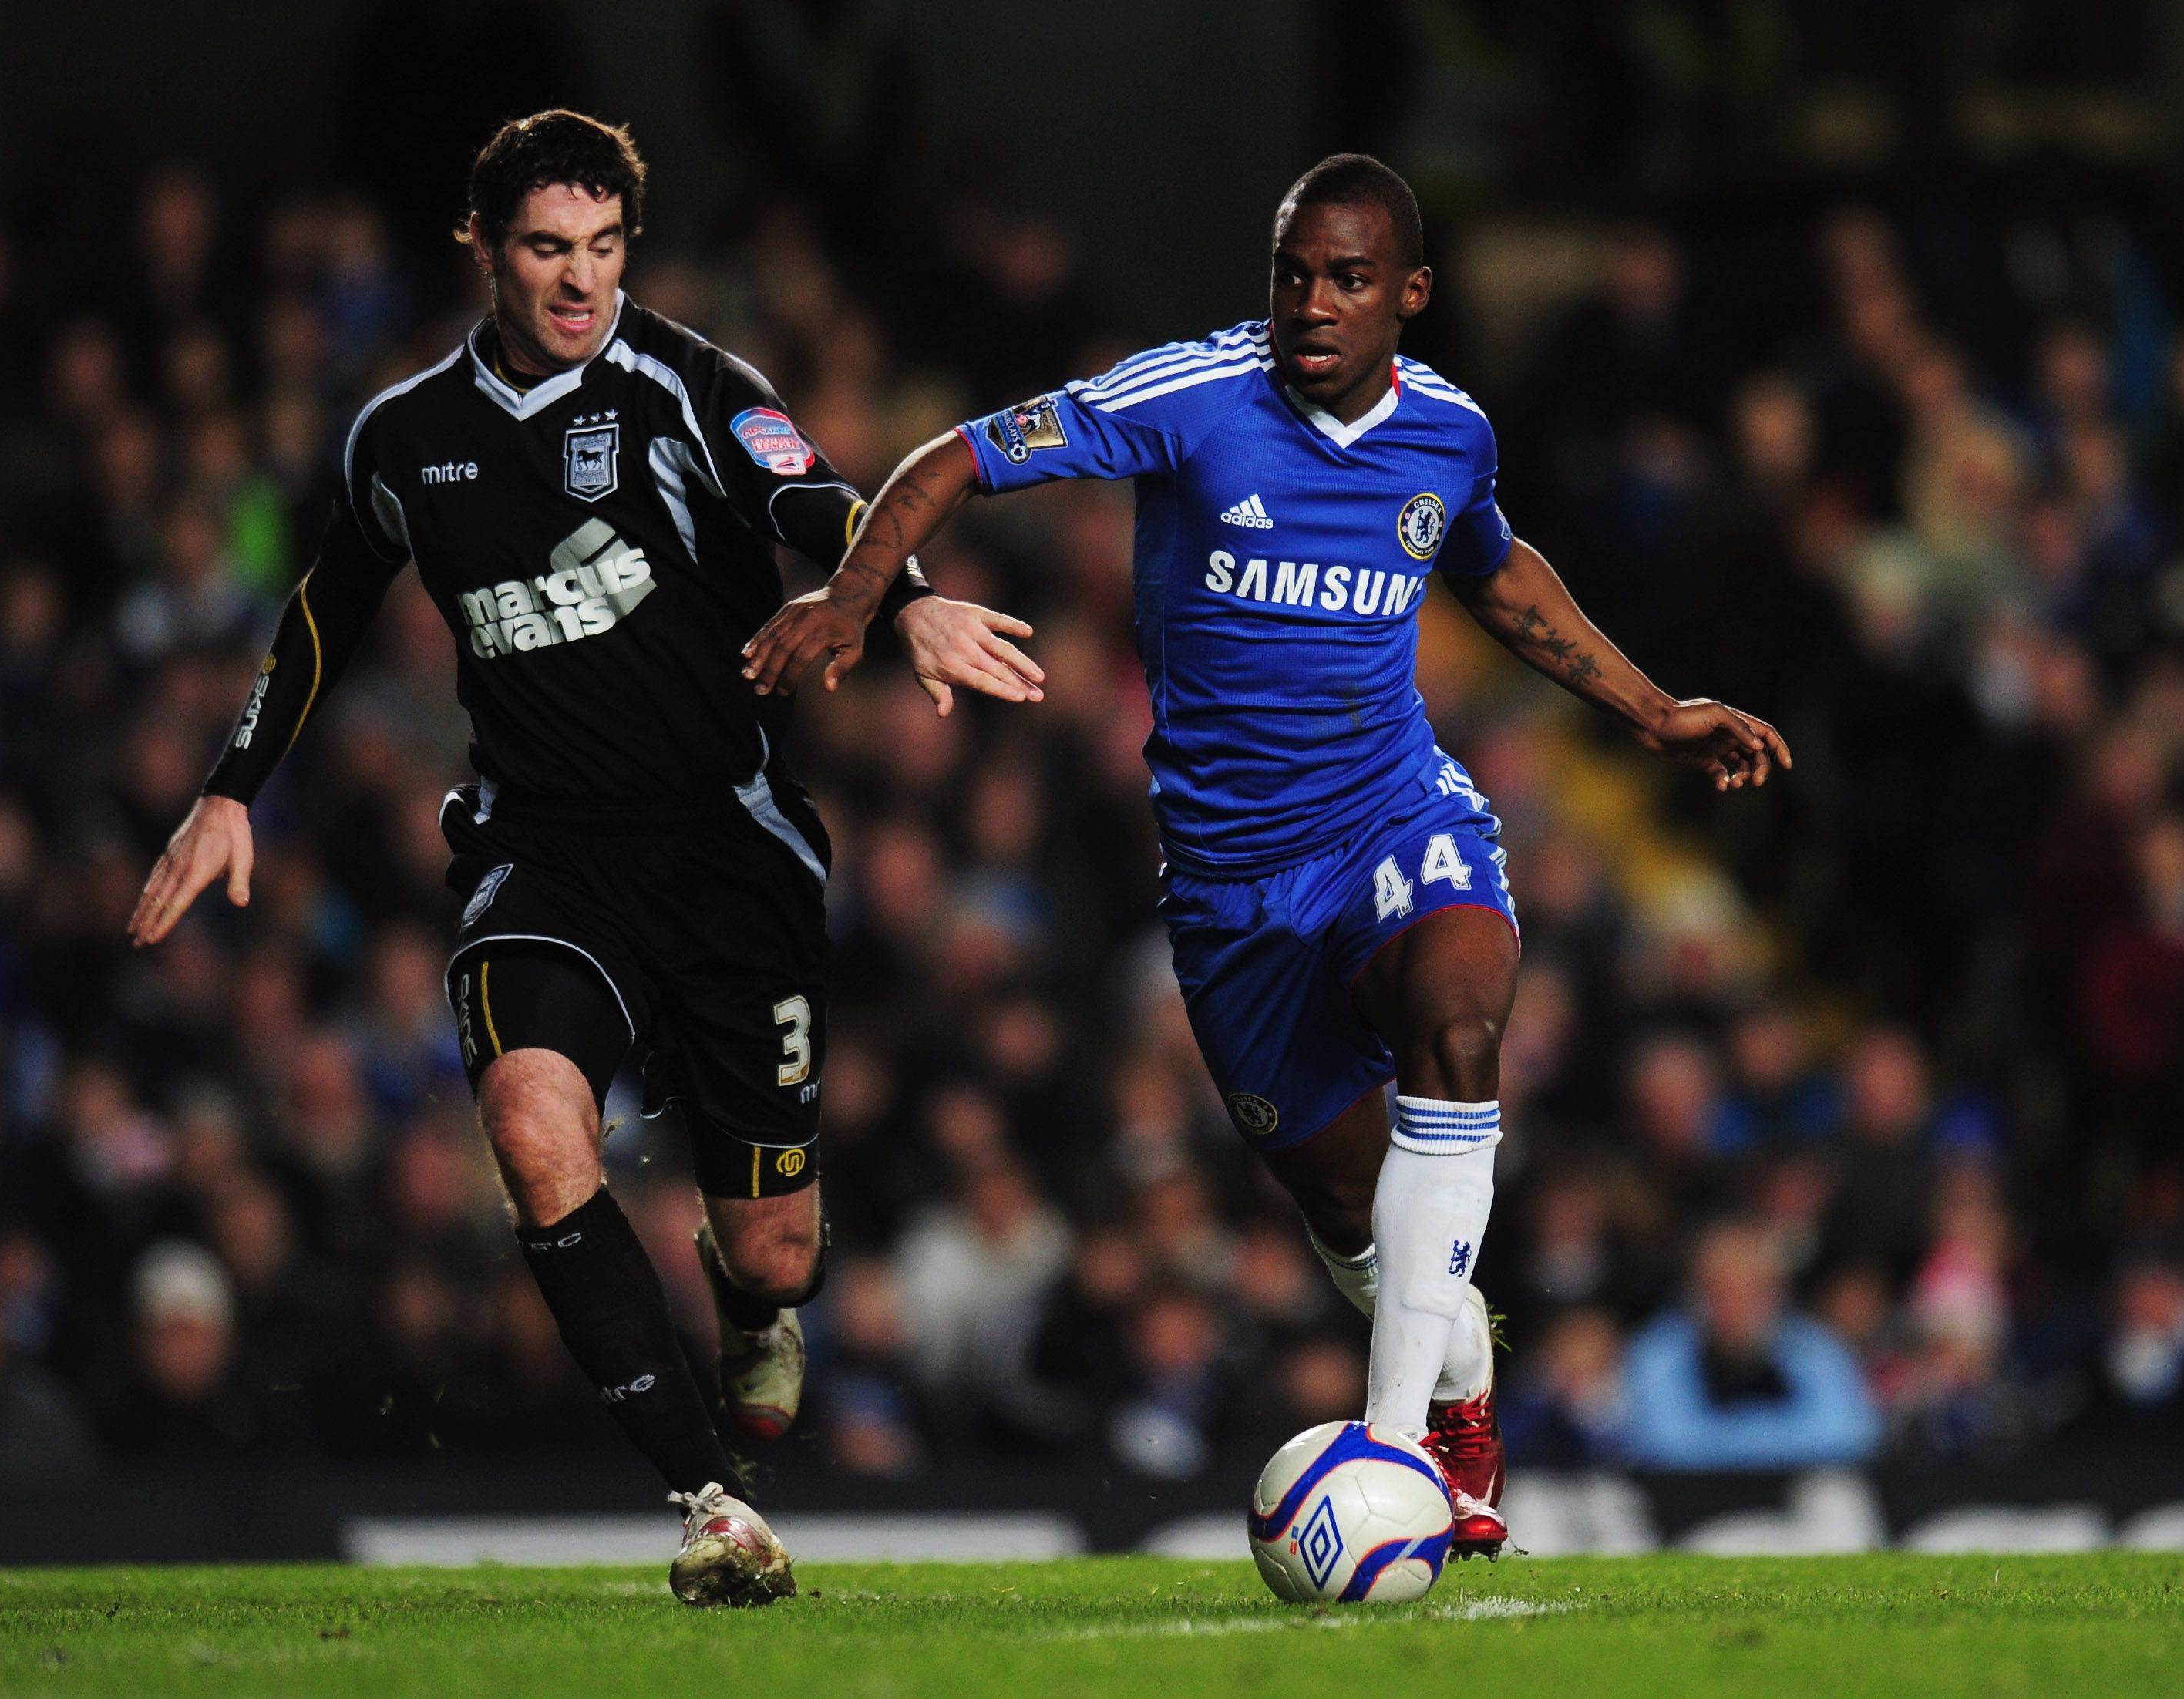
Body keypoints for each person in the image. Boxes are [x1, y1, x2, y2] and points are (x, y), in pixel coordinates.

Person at [744, 153, 1790, 1555]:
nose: (1313, 302)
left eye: (1349, 278)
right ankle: (1457, 1366)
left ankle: (1410, 1441)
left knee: (1462, 1017)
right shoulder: (1187, 397)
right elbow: (952, 458)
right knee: (1348, 1211)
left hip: (1392, 817)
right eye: (1293, 272)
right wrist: (857, 595)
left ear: (1410, 294)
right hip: (1234, 894)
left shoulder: (1450, 433)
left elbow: (1491, 563)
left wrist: (1654, 710)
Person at [124, 109, 1039, 1606]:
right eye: (549, 249)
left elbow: (809, 495)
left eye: (605, 248)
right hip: (538, 858)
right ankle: (708, 1502)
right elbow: (323, 611)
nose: (581, 281)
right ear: (481, 249)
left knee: (775, 1246)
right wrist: (234, 787)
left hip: (726, 855)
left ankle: (751, 1309)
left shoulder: (689, 385)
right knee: (533, 1126)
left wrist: (907, 595)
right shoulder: (405, 439)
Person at [1620, 1222, 1880, 1469]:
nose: (1734, 1307)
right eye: (1719, 1291)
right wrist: (1778, 1442)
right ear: (1693, 1291)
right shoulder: (1659, 1353)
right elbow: (1670, 1446)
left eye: (1751, 1291)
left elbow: (1846, 1436)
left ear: (1776, 1293)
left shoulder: (1815, 1348)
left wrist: (1734, 1443)